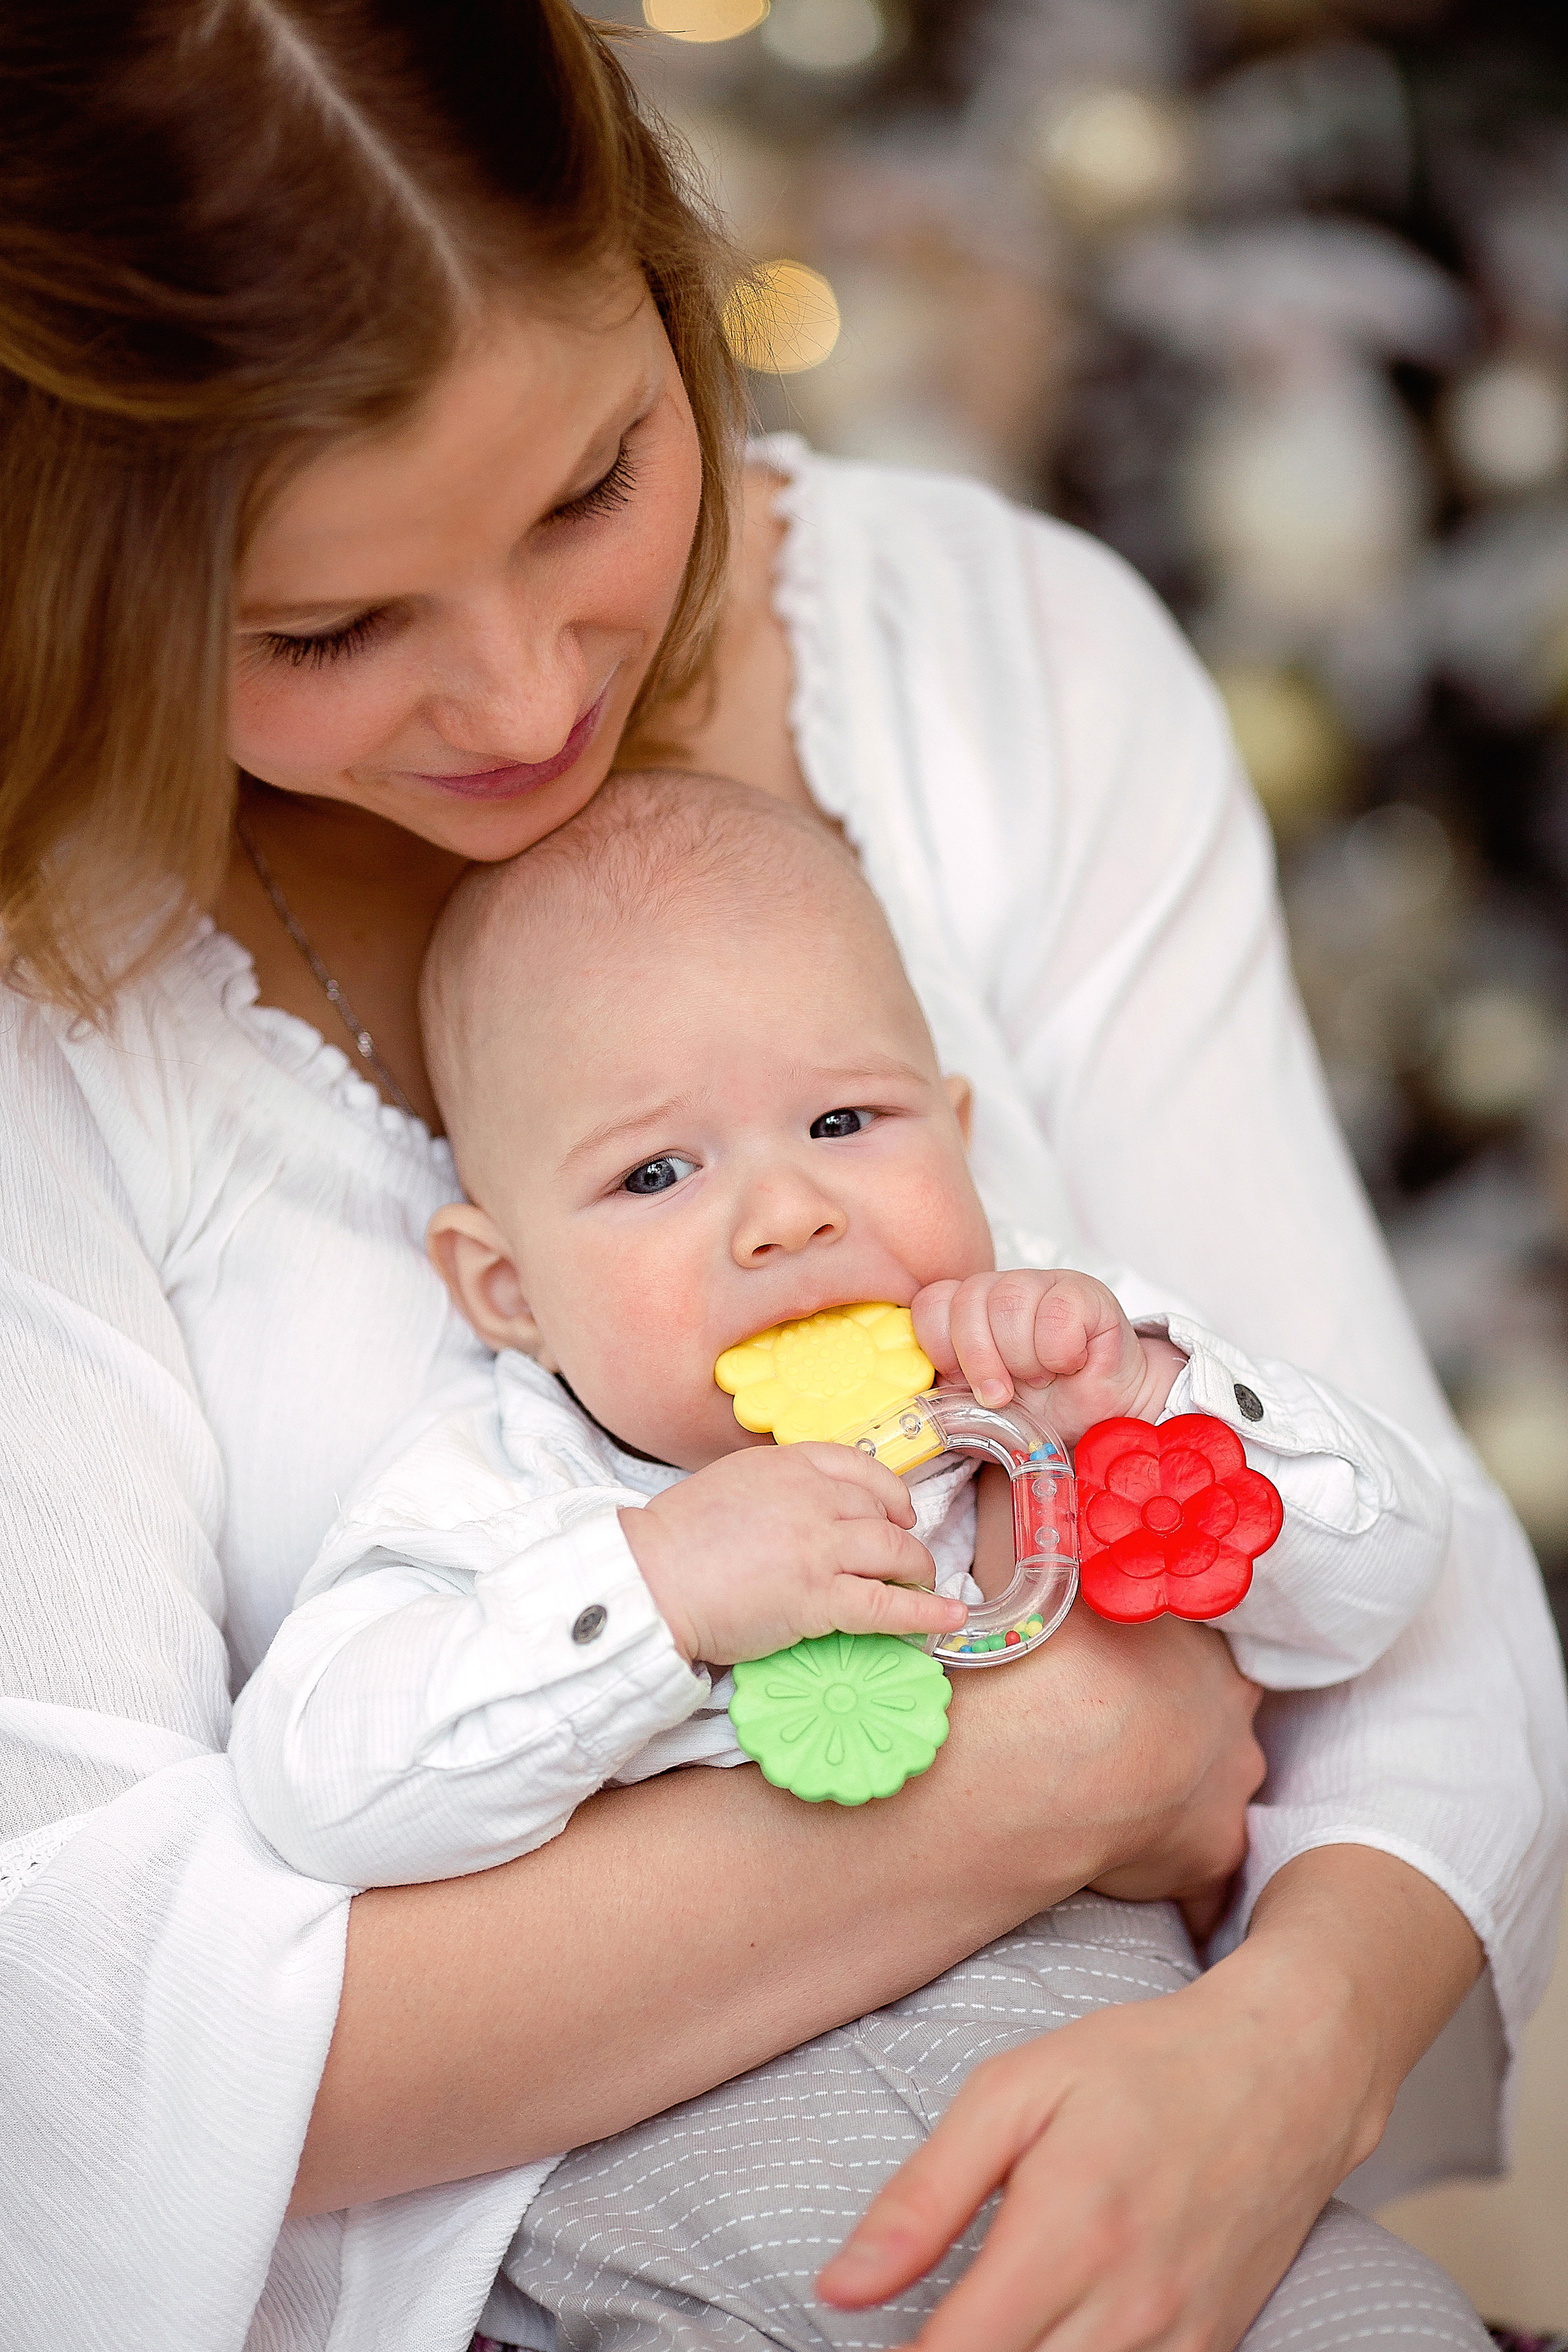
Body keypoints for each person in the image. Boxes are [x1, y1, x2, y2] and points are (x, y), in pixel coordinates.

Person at [0, 7, 1560, 2351]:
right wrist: (1047, 1772)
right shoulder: (52, 972)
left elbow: (1414, 1599)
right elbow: (77, 2044)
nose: (527, 696)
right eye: (326, 631)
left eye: (593, 487)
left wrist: (1286, 2054)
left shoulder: (990, 660)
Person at [226, 768, 1464, 2352]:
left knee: (1384, 2322)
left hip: (1137, 2183)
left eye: (845, 1123)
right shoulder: (503, 1496)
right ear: (506, 1286)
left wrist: (1152, 1406)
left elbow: (1379, 1586)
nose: (788, 1214)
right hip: (679, 2240)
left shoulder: (1050, 1369)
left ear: (954, 1138)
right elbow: (316, 1783)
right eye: (655, 1175)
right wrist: (658, 1598)